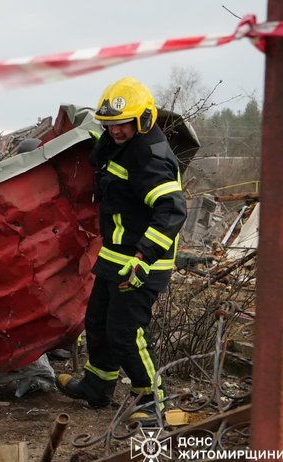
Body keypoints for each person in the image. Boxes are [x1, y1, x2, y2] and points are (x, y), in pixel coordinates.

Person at [56, 77, 187, 423]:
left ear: (143, 120)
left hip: (142, 262)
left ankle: (152, 400)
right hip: (115, 256)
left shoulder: (150, 158)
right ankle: (98, 386)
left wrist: (143, 258)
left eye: (122, 124)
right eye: (110, 125)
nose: (115, 131)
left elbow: (172, 209)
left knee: (126, 331)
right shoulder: (119, 145)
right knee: (97, 321)